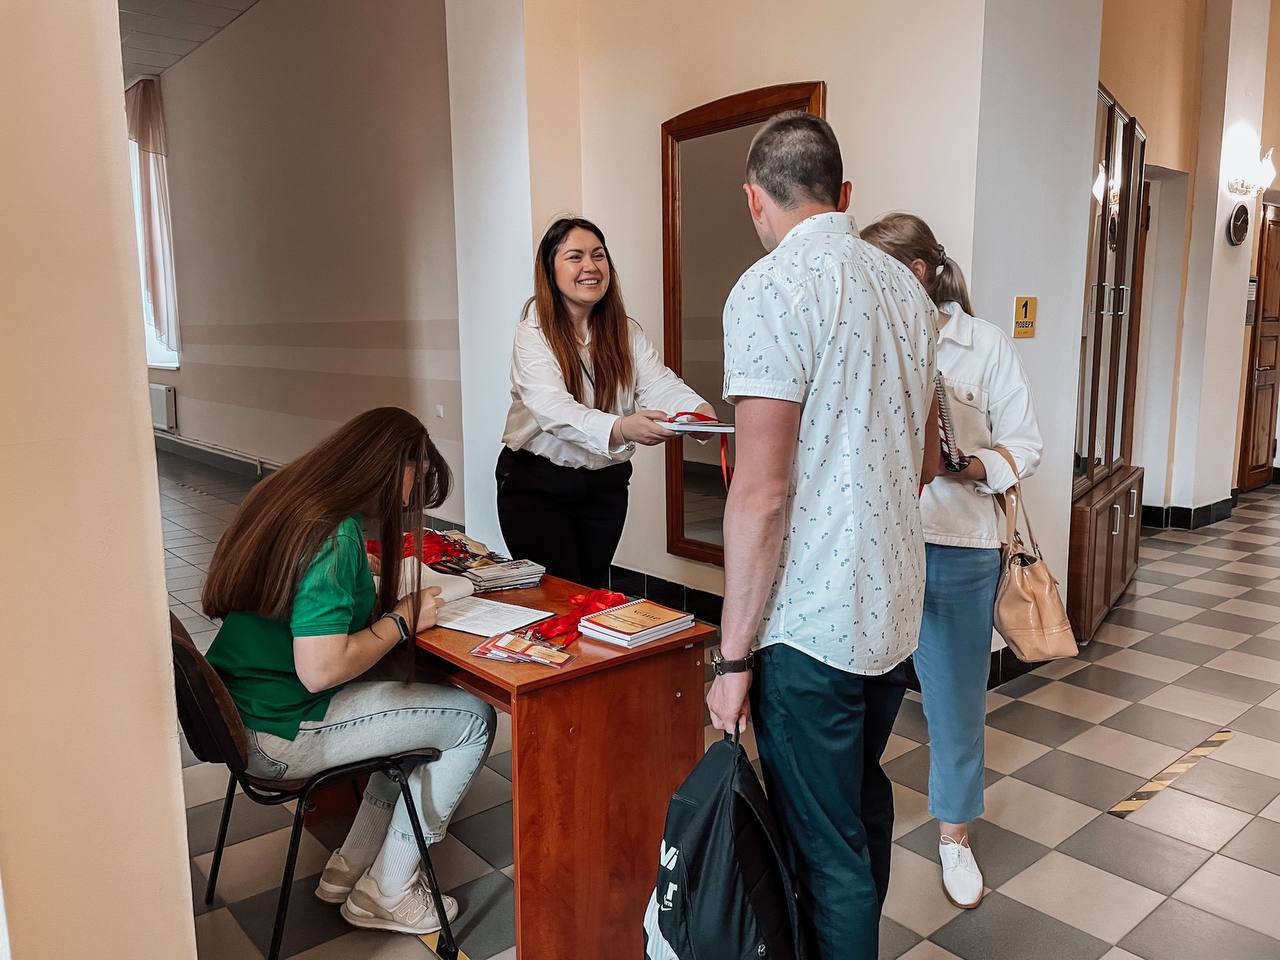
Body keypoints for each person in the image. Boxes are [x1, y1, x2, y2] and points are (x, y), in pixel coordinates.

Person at [705, 113, 939, 960]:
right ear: (843, 194)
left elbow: (761, 493)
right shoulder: (907, 290)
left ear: (754, 199)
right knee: (860, 808)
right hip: (892, 605)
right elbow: (922, 459)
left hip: (810, 622)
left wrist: (732, 659)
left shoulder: (770, 288)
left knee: (823, 850)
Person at [202, 407, 496, 937]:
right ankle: (389, 891)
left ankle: (349, 867)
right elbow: (321, 670)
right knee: (472, 719)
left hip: (247, 707)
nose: (406, 505)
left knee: (416, 707)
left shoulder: (285, 498)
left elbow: (295, 586)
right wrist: (402, 620)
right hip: (279, 730)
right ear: (392, 466)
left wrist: (357, 566)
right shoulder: (332, 536)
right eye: (414, 485)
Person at [861, 212, 1042, 909]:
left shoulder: (983, 345)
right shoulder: (866, 337)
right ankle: (849, 819)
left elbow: (1025, 445)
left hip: (958, 548)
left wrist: (967, 465)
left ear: (914, 273)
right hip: (878, 545)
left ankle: (955, 836)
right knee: (860, 695)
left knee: (955, 705)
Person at [497, 217, 715, 588]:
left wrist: (695, 412)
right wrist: (621, 427)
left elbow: (658, 383)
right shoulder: (533, 332)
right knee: (558, 594)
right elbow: (552, 409)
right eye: (575, 257)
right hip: (537, 485)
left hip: (605, 486)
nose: (590, 267)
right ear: (550, 270)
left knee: (591, 589)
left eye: (598, 256)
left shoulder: (625, 332)